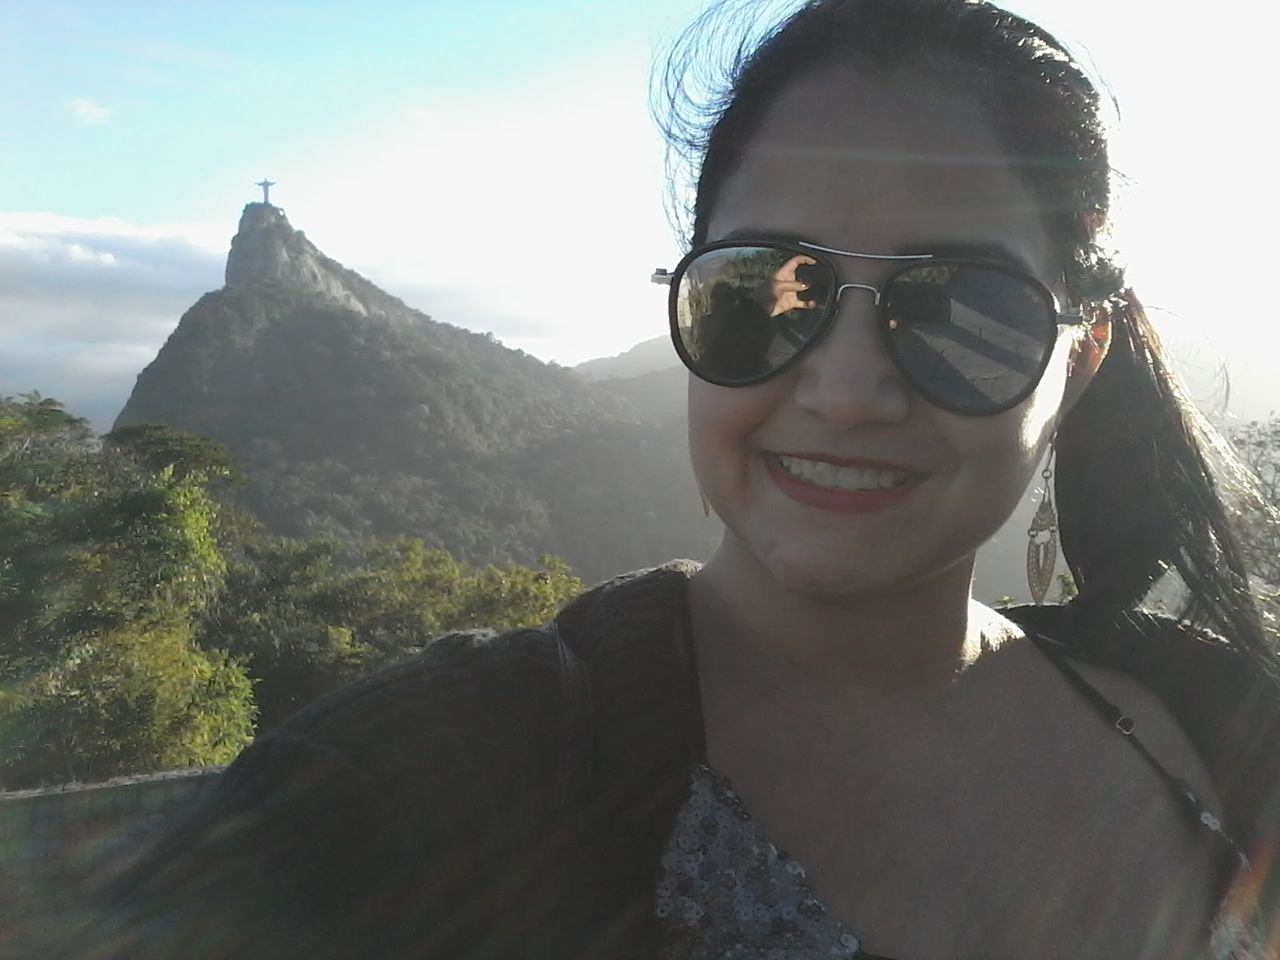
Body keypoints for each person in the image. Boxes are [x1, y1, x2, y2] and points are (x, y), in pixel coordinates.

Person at [67, 1, 1280, 958]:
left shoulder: (1217, 726)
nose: (845, 388)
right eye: (764, 289)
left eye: (960, 308)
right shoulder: (435, 789)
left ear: (1083, 353)